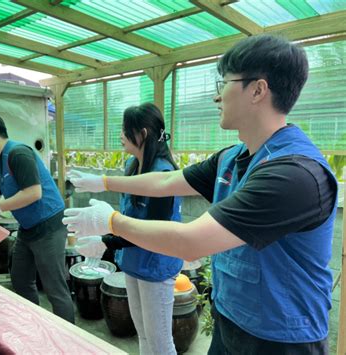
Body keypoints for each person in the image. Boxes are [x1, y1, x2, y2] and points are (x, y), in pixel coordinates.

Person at [63, 34, 338, 354]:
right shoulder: (232, 158)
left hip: (281, 340)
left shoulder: (293, 174)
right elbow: (166, 183)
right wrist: (106, 183)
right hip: (230, 318)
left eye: (224, 84)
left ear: (258, 90)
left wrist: (111, 222)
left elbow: (193, 241)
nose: (216, 98)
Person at [76, 102, 183, 354]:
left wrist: (107, 241)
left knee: (160, 342)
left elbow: (152, 232)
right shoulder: (132, 166)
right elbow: (127, 217)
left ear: (142, 133)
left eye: (125, 130)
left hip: (156, 265)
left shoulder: (163, 174)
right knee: (143, 335)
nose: (121, 136)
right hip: (134, 262)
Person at [0, 113, 74, 324]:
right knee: (21, 280)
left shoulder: (18, 154)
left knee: (55, 288)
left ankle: (70, 341)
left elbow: (34, 192)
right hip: (28, 228)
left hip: (49, 225)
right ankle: (35, 325)